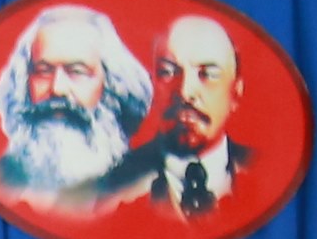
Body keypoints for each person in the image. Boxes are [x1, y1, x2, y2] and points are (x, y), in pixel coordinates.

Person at [0, 4, 153, 213]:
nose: (58, 88)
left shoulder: (144, 186)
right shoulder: (0, 180)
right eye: (43, 71)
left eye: (77, 71)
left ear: (111, 87)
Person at [92, 13, 253, 221]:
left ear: (236, 92)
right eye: (168, 72)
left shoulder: (263, 172)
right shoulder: (115, 188)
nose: (185, 92)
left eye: (208, 74)